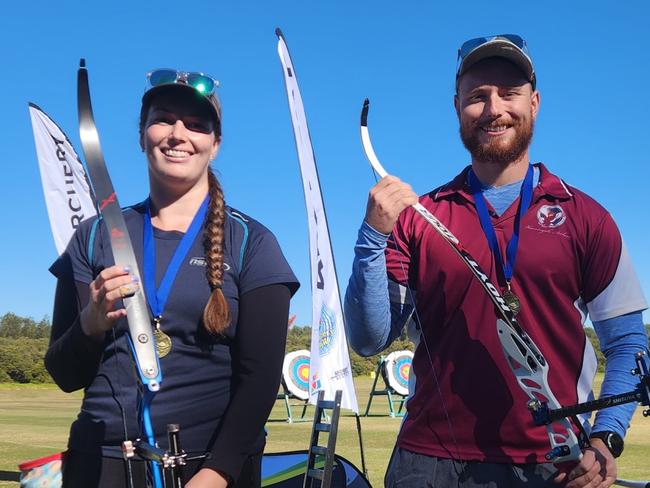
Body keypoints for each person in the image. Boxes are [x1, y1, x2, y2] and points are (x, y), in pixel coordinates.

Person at [345, 35, 648, 487]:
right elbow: (370, 339)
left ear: (535, 102)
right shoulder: (419, 218)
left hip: (554, 463)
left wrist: (607, 437)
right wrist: (372, 236)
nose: (494, 109)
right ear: (456, 107)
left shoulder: (587, 217)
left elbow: (627, 342)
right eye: (477, 97)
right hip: (429, 463)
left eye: (509, 93)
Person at [45, 68, 299, 487]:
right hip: (100, 463)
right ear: (142, 134)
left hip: (207, 468)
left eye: (197, 125)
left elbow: (259, 381)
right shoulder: (93, 237)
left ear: (214, 145)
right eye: (164, 118)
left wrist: (217, 473)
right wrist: (90, 323)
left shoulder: (251, 242)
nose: (178, 133)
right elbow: (64, 375)